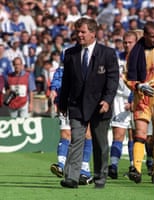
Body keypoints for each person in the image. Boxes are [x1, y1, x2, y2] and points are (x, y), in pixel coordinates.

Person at [58, 17, 119, 189]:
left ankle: (100, 177)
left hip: (100, 106)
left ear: (93, 33)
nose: (79, 35)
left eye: (83, 32)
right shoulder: (70, 53)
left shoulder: (107, 53)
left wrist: (107, 100)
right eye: (78, 31)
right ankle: (72, 177)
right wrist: (62, 103)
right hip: (77, 104)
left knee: (100, 143)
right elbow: (67, 82)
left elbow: (113, 80)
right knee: (76, 139)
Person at [125, 21, 154, 184]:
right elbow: (127, 76)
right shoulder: (134, 53)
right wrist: (138, 85)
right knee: (140, 134)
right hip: (142, 98)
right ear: (145, 36)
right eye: (153, 36)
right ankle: (136, 170)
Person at [49, 57, 93, 186]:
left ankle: (84, 170)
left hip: (83, 104)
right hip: (67, 104)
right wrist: (54, 92)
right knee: (66, 134)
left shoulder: (85, 68)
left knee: (86, 135)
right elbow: (55, 85)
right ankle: (61, 165)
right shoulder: (61, 70)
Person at [108, 30, 138, 179]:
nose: (126, 45)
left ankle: (134, 166)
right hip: (119, 99)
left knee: (134, 135)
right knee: (118, 134)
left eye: (130, 42)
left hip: (137, 98)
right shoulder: (116, 58)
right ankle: (113, 166)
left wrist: (133, 100)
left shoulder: (140, 58)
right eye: (124, 42)